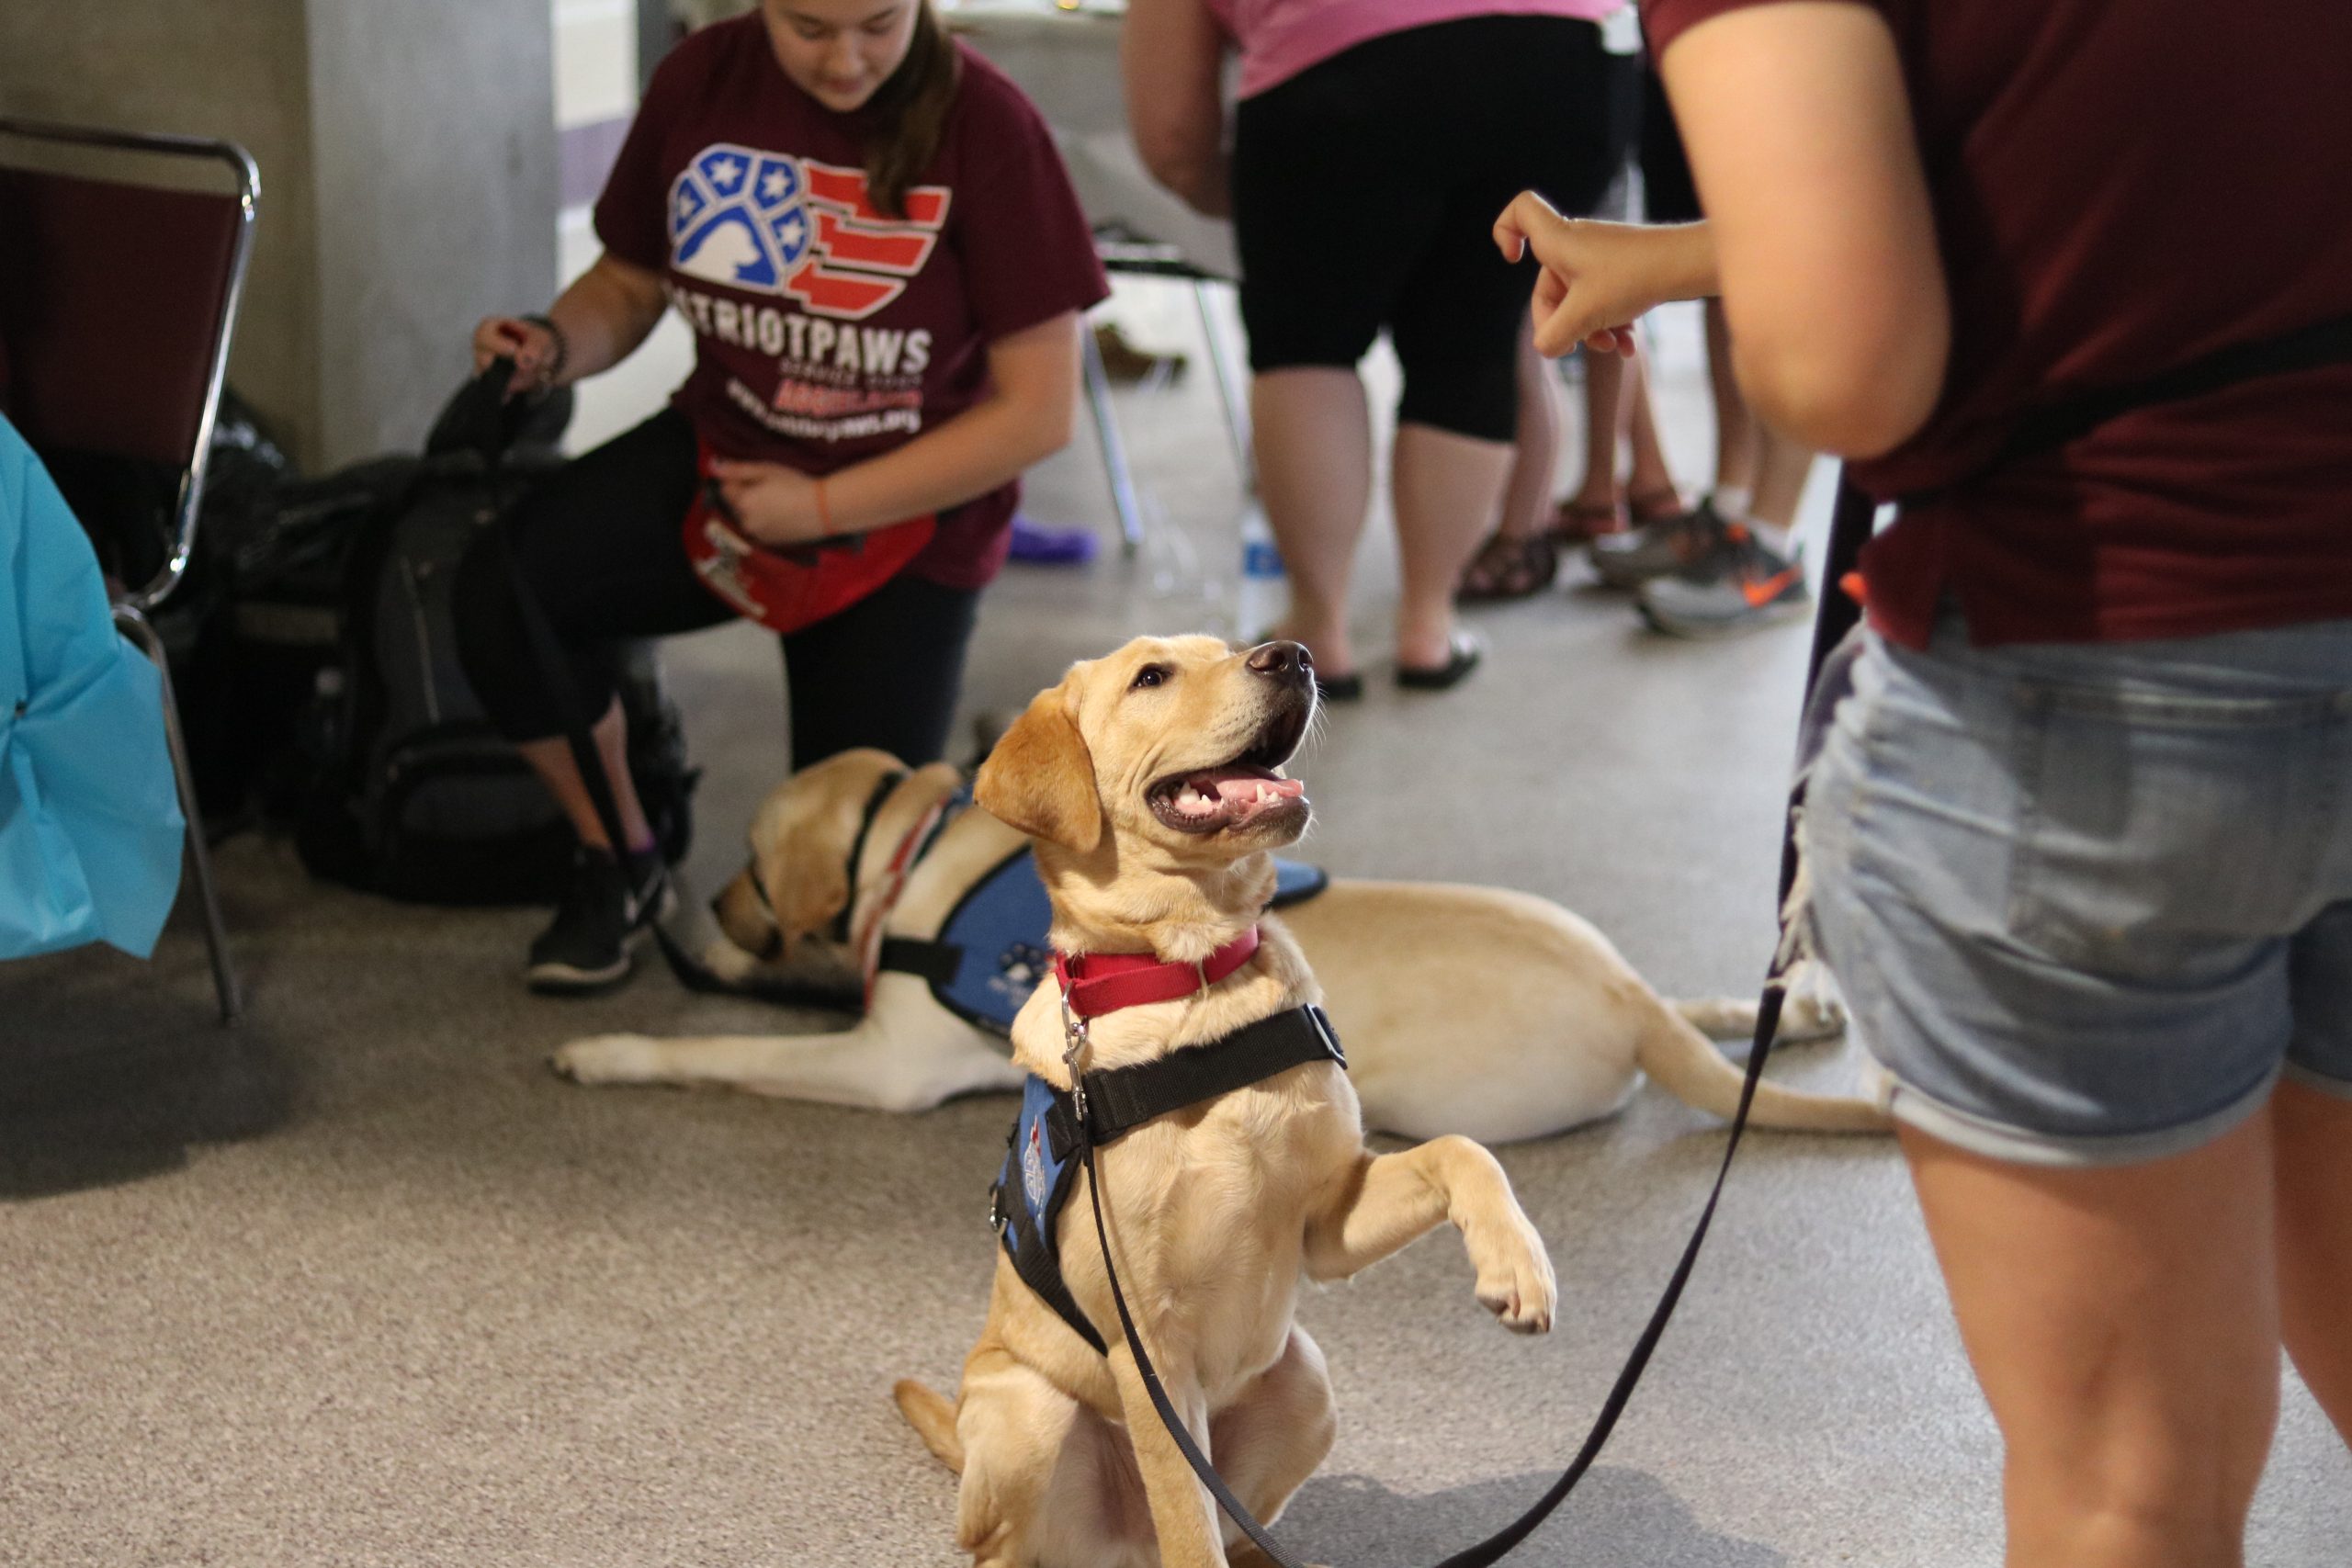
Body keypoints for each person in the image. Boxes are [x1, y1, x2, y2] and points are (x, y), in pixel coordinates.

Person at [1501, 3, 2352, 1562]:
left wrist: (1771, 260)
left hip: (2099, 673)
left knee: (2135, 1484)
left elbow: (1847, 364)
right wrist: (1700, 249)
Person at [451, 0, 1107, 994]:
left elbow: (1035, 414)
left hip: (903, 509)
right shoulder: (700, 80)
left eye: (878, 24)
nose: (846, 59)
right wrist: (553, 345)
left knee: (835, 892)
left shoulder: (990, 124)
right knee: (501, 593)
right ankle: (619, 857)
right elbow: (630, 284)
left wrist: (825, 506)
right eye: (808, 27)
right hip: (729, 450)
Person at [1124, 0, 1624, 697]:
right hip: (1559, 66)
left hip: (1334, 80)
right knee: (1473, 340)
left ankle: (1316, 630)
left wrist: (1265, 204)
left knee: (1307, 347)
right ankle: (1428, 626)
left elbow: (1173, 133)